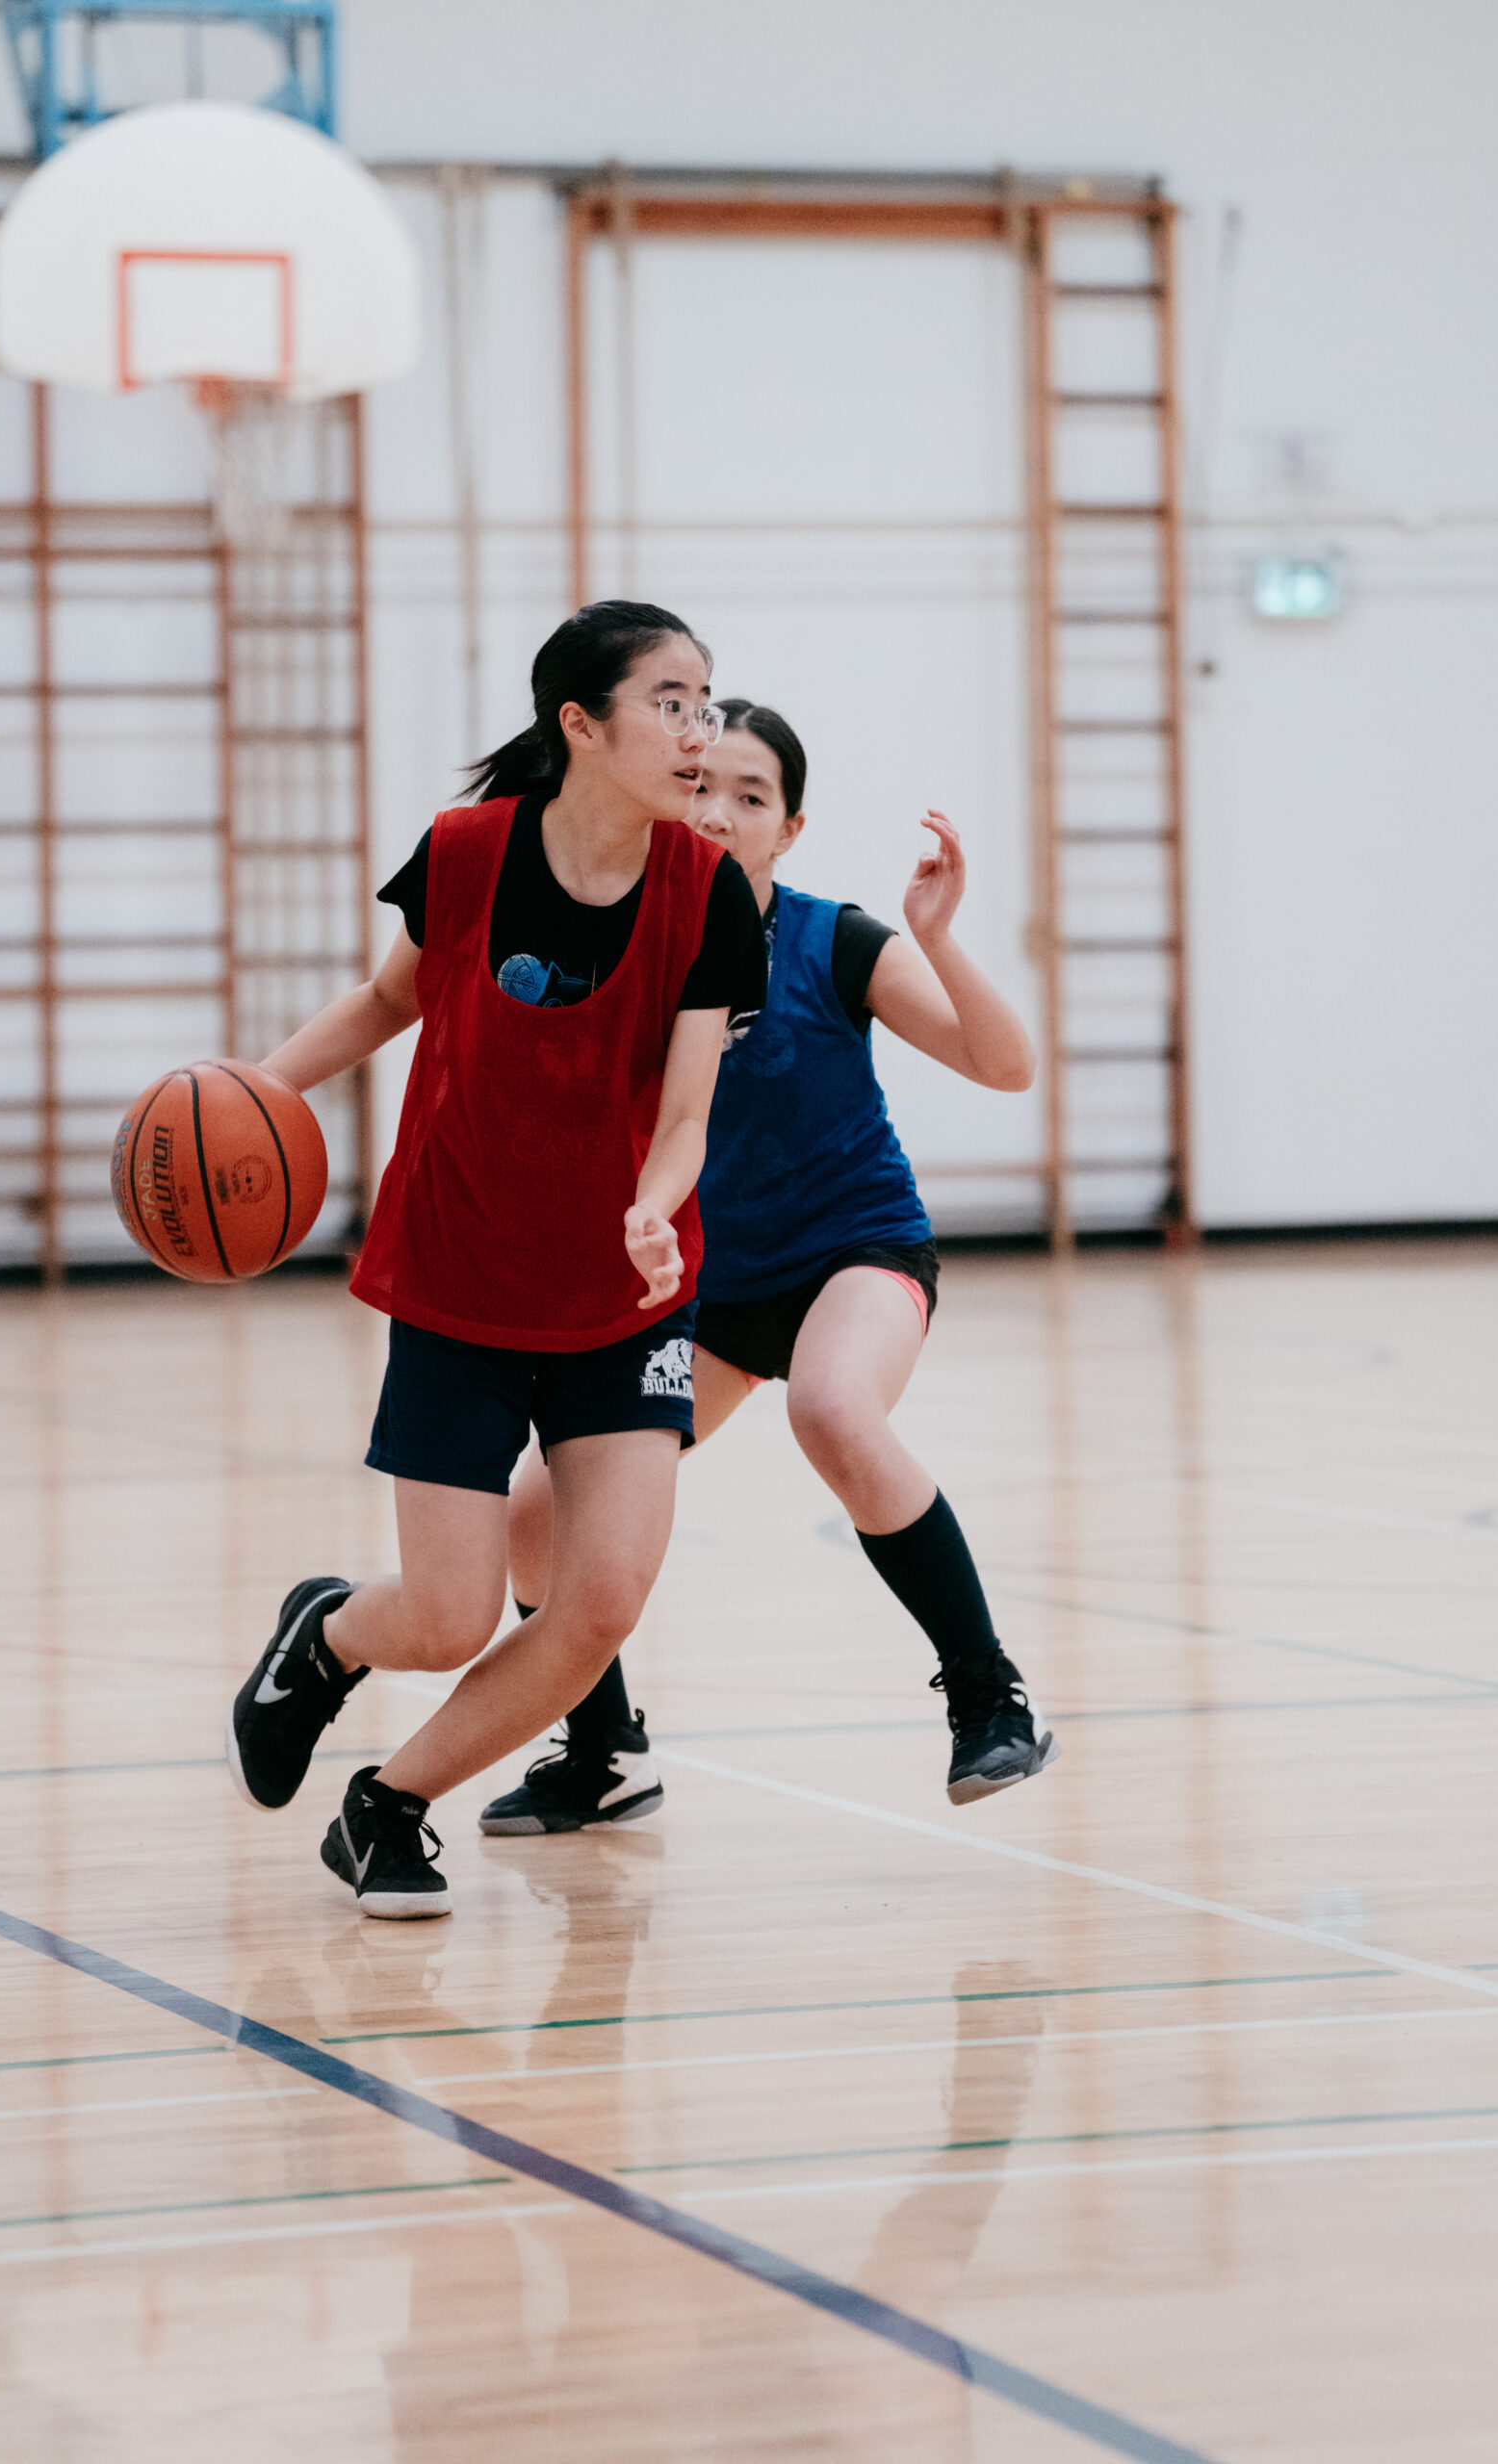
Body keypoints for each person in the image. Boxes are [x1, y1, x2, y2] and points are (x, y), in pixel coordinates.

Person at [224, 604, 766, 1917]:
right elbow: (383, 1002)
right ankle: (328, 1633)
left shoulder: (708, 895)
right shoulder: (465, 855)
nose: (698, 729)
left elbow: (686, 1113)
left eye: (708, 700)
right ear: (581, 726)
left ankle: (387, 1806)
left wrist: (654, 1210)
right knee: (449, 1615)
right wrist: (253, 1091)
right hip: (460, 1279)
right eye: (671, 701)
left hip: (623, 1296)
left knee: (596, 1607)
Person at [486, 697, 1056, 1835]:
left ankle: (990, 1692)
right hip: (708, 1291)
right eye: (703, 788)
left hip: (856, 1249)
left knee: (837, 1411)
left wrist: (936, 935)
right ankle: (604, 1754)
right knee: (539, 1511)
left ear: (789, 830)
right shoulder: (621, 957)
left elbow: (1006, 1068)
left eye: (753, 797)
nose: (720, 813)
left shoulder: (834, 941)